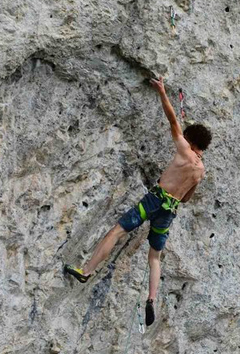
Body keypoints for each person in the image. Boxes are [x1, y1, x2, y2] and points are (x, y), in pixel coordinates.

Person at [64, 77, 211, 326]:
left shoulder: (184, 151)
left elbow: (173, 120)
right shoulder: (201, 171)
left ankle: (86, 271)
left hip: (154, 200)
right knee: (154, 257)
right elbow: (186, 198)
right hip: (169, 211)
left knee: (117, 231)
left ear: (191, 140)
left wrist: (162, 92)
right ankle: (151, 299)